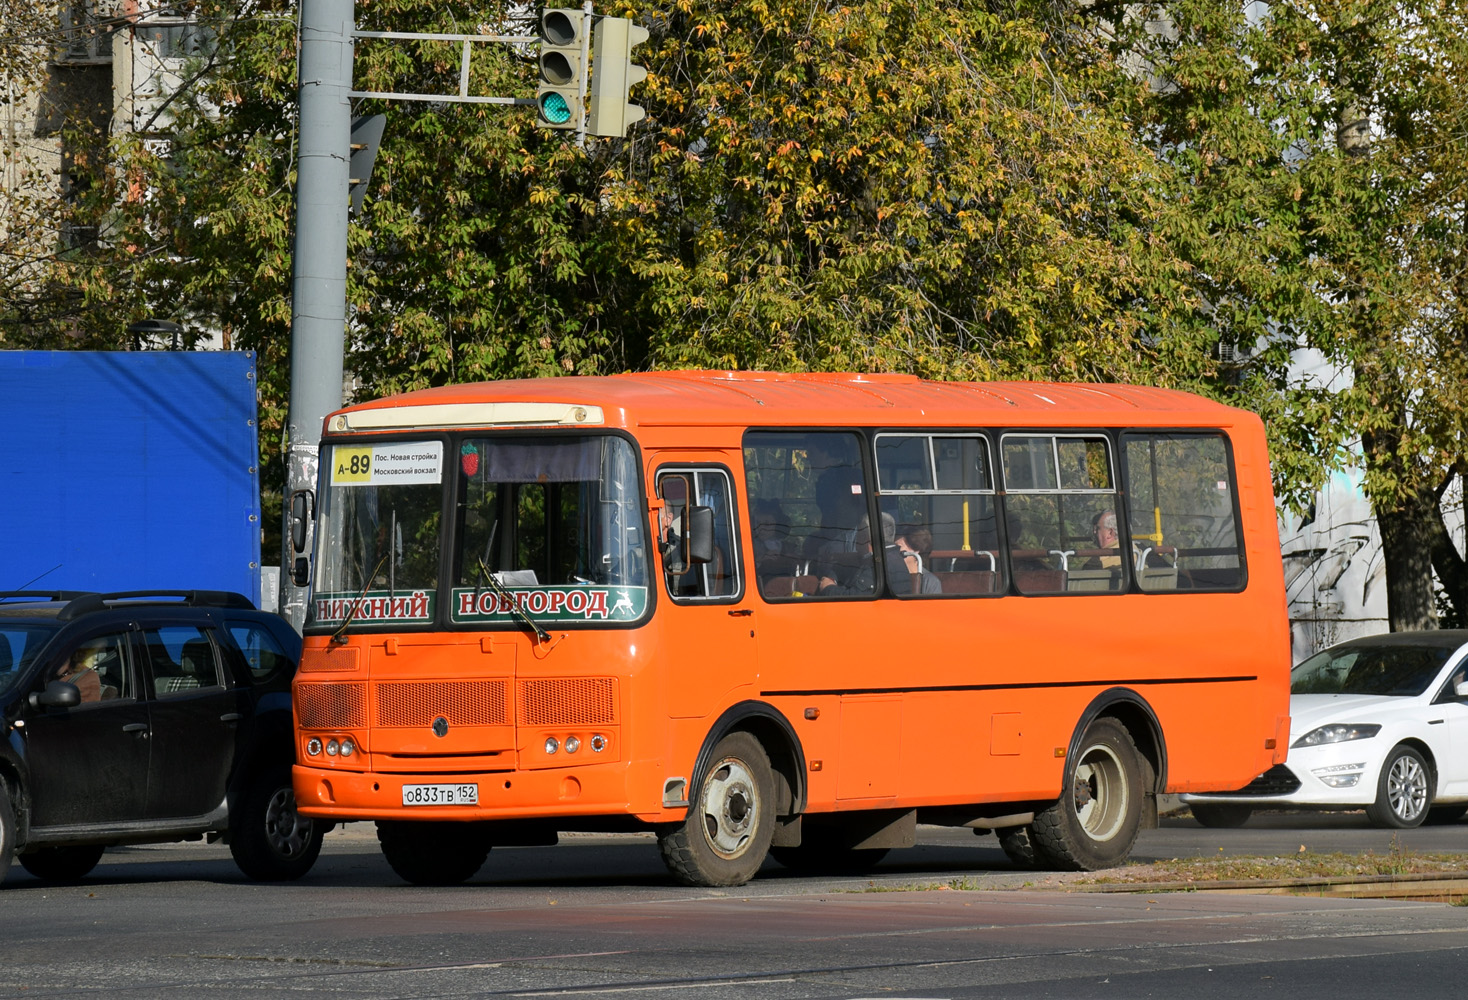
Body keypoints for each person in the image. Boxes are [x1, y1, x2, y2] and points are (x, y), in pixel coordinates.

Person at [818, 513, 912, 596]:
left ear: (865, 537)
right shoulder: (892, 557)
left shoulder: (878, 565)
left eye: (858, 534)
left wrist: (828, 587)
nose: (856, 540)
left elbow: (856, 599)